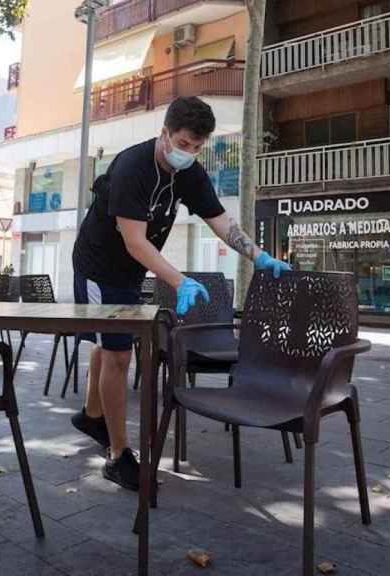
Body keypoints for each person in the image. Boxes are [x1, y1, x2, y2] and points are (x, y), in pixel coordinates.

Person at [71, 96, 292, 490]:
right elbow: (135, 242)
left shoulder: (188, 173)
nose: (188, 153)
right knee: (119, 354)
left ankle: (91, 415)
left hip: (129, 270)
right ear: (165, 134)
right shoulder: (131, 167)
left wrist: (259, 256)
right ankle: (119, 456)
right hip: (98, 266)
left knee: (107, 346)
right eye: (183, 144)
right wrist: (179, 281)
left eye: (196, 147)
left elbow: (221, 221)